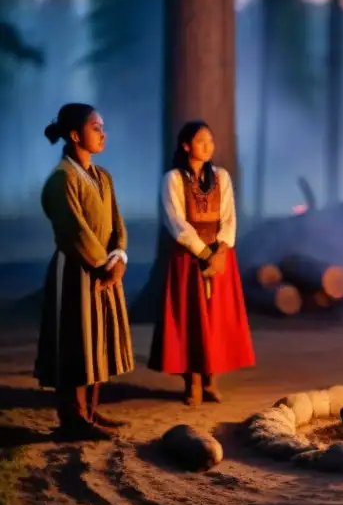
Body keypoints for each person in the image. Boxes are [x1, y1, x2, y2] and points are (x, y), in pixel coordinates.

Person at [36, 103, 134, 441]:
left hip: (105, 270)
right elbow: (74, 231)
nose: (103, 133)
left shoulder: (102, 176)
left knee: (97, 339)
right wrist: (104, 264)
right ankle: (72, 417)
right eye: (96, 127)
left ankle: (89, 411)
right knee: (75, 340)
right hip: (76, 270)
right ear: (76, 134)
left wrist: (119, 255)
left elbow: (117, 223)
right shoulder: (61, 179)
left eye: (103, 126)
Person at [149, 121, 255, 405]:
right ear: (186, 145)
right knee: (190, 317)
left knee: (216, 318)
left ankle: (211, 380)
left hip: (221, 257)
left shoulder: (221, 177)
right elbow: (176, 222)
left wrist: (220, 251)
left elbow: (229, 217)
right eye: (200, 141)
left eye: (211, 140)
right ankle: (192, 381)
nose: (208, 146)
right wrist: (203, 252)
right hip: (188, 257)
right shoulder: (173, 179)